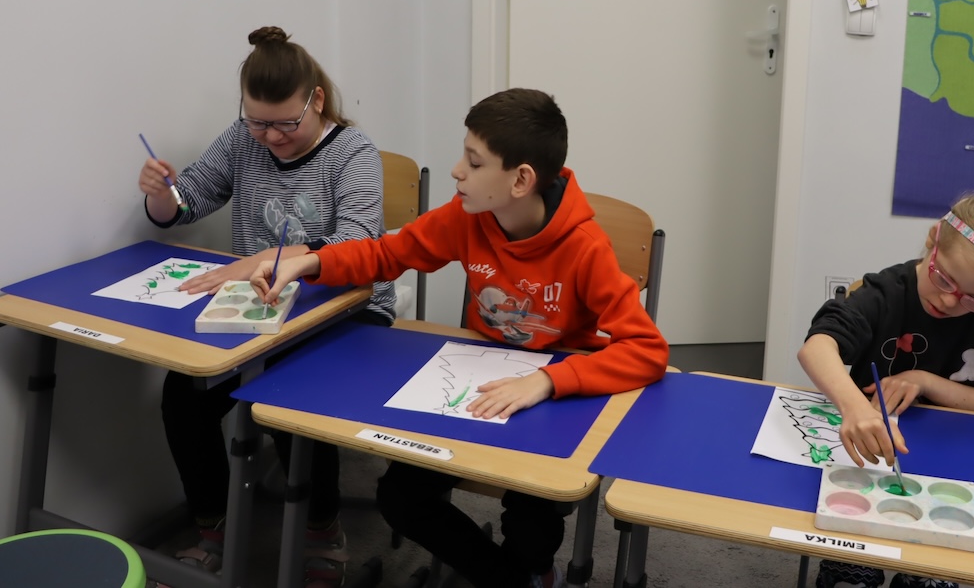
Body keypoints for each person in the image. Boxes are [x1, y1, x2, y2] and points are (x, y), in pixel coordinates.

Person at [251, 87, 669, 588]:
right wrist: (312, 262)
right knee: (399, 498)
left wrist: (547, 381)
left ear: (520, 180)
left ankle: (530, 571)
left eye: (473, 162)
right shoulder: (466, 217)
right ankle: (511, 580)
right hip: (471, 388)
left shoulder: (585, 248)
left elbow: (647, 350)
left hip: (549, 403)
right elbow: (388, 254)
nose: (456, 171)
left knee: (531, 526)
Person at [138, 26, 394, 588]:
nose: (270, 137)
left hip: (347, 307)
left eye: (284, 123)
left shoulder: (353, 152)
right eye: (257, 122)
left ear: (316, 100)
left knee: (291, 400)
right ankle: (213, 528)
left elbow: (357, 244)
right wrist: (161, 194)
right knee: (184, 394)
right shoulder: (243, 140)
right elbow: (188, 201)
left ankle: (324, 535)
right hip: (260, 309)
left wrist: (261, 260)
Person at [797, 194, 974, 588]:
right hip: (871, 455)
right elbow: (816, 347)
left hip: (953, 459)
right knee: (853, 569)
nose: (949, 300)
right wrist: (854, 408)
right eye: (945, 279)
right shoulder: (884, 293)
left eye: (973, 300)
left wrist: (925, 380)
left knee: (936, 567)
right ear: (933, 240)